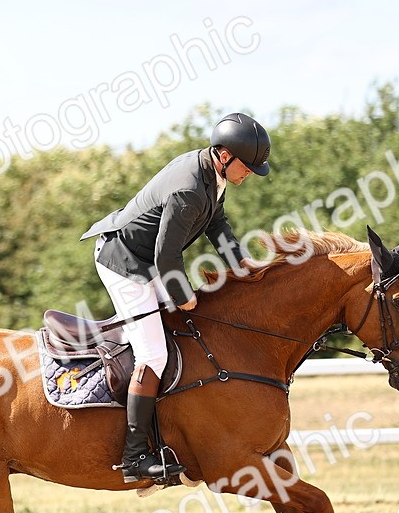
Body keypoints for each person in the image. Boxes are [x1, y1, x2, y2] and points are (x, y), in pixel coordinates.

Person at [80, 112, 271, 483]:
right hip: (125, 262)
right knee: (154, 353)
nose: (249, 173)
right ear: (224, 155)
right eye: (246, 167)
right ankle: (135, 458)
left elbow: (216, 223)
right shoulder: (188, 189)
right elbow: (166, 257)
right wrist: (184, 297)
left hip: (146, 259)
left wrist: (242, 267)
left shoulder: (211, 174)